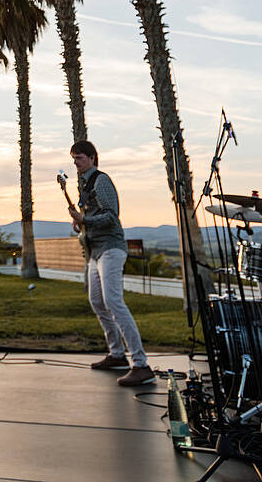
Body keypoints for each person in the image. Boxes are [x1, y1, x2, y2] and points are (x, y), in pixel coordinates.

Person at [67, 140, 154, 387]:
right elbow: (93, 217)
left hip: (111, 248)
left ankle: (141, 364)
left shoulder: (101, 180)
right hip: (95, 251)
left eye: (80, 158)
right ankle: (117, 355)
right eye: (74, 159)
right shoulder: (84, 184)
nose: (76, 163)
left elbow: (111, 216)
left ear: (93, 158)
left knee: (114, 302)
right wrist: (81, 222)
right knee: (97, 301)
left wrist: (85, 218)